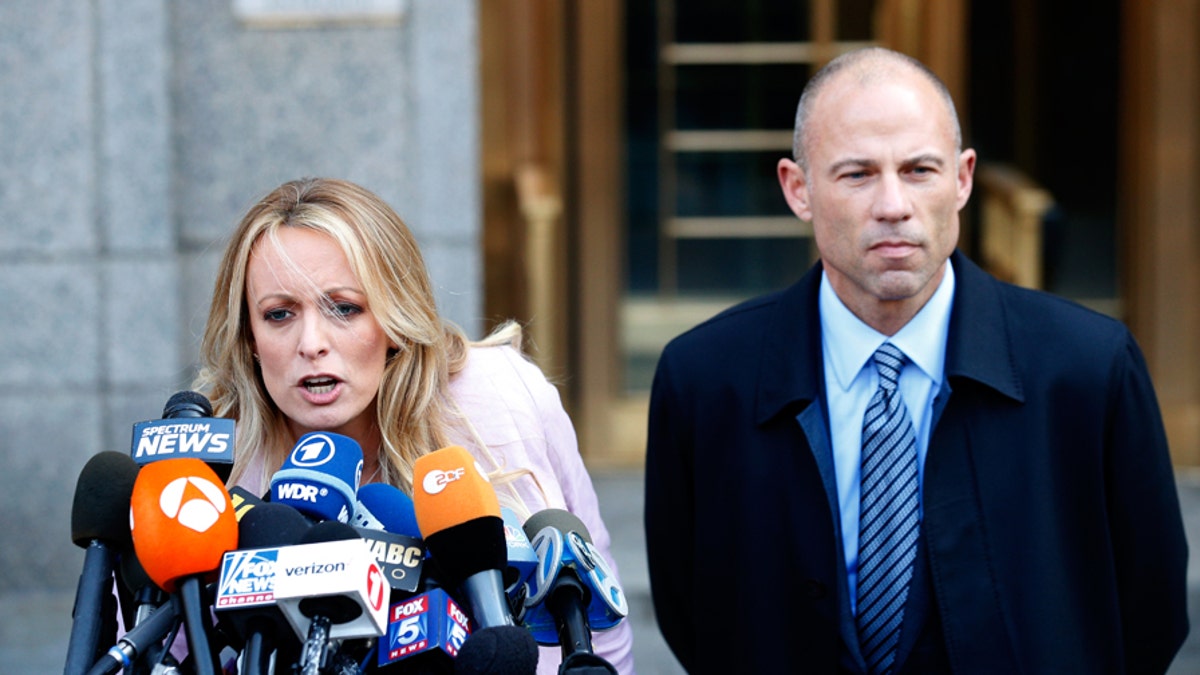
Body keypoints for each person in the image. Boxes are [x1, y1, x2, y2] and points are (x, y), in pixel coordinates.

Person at [644, 47, 1188, 674]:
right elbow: (694, 613)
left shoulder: (1090, 370)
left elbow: (1151, 612)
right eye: (857, 174)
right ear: (799, 189)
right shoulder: (707, 379)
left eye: (920, 170)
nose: (894, 205)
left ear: (962, 179)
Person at [194, 176, 635, 673]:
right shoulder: (210, 465)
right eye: (279, 314)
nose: (311, 342)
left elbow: (603, 632)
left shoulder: (502, 395)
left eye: (344, 308)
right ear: (248, 336)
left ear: (394, 318)